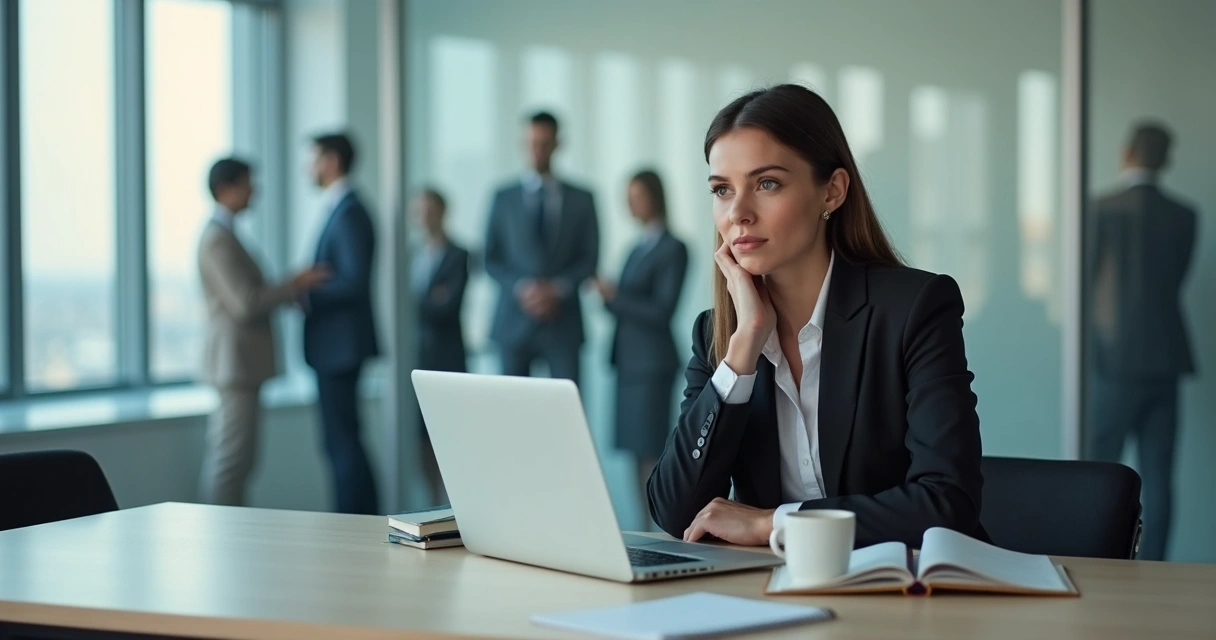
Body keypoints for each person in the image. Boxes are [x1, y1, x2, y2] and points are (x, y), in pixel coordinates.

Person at [647, 84, 986, 549]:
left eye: (767, 184)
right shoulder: (718, 334)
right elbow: (676, 512)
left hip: (909, 584)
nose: (738, 213)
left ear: (832, 191)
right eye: (722, 190)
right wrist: (743, 349)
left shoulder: (914, 309)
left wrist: (773, 523)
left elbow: (947, 504)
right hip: (773, 589)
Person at [1086, 121, 1197, 561]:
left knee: (1097, 473)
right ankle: (1155, 568)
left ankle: (1095, 559)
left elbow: (1085, 283)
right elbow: (1176, 280)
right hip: (1166, 359)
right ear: (1166, 159)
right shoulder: (1185, 214)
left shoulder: (1101, 208)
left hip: (1112, 360)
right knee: (1159, 475)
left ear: (1126, 153)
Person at [197, 157, 328, 506]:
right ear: (226, 189)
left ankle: (230, 530)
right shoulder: (217, 239)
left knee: (240, 460)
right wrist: (293, 284)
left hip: (241, 365)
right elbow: (245, 302)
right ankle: (220, 531)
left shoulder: (226, 234)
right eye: (247, 184)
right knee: (230, 461)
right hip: (234, 363)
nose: (254, 191)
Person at [593, 170, 688, 529]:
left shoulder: (674, 248)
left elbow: (662, 310)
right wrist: (609, 298)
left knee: (651, 450)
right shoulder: (635, 248)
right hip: (628, 363)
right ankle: (642, 527)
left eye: (637, 197)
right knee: (634, 451)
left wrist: (616, 296)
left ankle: (660, 529)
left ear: (655, 197)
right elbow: (627, 306)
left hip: (652, 364)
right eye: (628, 198)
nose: (631, 205)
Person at [484, 111, 599, 387]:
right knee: (510, 405)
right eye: (532, 143)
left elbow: (589, 259)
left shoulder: (582, 199)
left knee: (566, 407)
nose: (538, 150)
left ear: (558, 144)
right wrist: (522, 288)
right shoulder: (502, 198)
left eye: (544, 143)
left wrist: (556, 290)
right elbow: (491, 258)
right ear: (523, 144)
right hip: (513, 322)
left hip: (563, 323)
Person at [303, 132, 381, 515]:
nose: (308, 167)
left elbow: (353, 280)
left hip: (340, 346)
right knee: (341, 440)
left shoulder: (349, 212)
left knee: (342, 441)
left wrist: (307, 291)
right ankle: (359, 520)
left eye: (314, 158)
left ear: (332, 161)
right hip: (337, 345)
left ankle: (353, 524)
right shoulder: (341, 208)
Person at [411, 188, 469, 506]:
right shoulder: (410, 255)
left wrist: (421, 301)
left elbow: (448, 306)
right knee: (421, 434)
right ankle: (431, 501)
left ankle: (452, 504)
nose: (424, 216)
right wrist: (430, 298)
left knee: (450, 433)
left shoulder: (459, 254)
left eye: (430, 209)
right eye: (419, 210)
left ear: (443, 212)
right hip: (416, 355)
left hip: (447, 356)